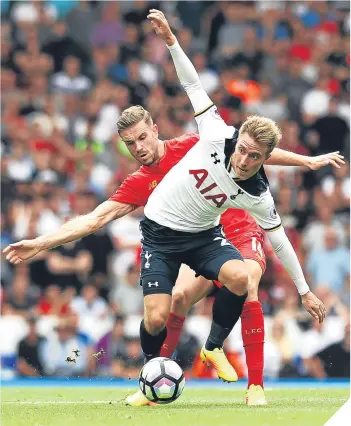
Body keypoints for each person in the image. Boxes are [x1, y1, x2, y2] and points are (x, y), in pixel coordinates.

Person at [130, 9, 328, 404]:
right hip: (181, 233)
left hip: (220, 234)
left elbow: (281, 241)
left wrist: (303, 290)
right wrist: (172, 40)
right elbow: (191, 83)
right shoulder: (215, 132)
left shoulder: (256, 193)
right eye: (242, 150)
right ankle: (155, 377)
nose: (242, 160)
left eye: (254, 157)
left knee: (245, 280)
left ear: (264, 159)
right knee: (166, 308)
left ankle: (232, 364)